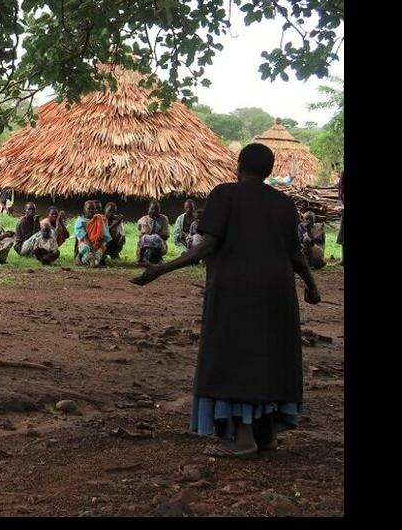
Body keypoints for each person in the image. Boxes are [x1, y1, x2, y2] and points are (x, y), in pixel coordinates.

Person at [132, 143, 321, 458]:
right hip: (278, 292)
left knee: (233, 355)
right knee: (271, 354)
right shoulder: (283, 203)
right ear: (269, 170)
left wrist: (161, 269)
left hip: (235, 290)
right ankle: (266, 434)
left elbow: (208, 245)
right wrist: (312, 286)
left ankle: (243, 438)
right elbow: (295, 253)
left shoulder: (225, 195)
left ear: (238, 166)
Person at [73, 200, 112, 267]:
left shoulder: (100, 219)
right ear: (84, 209)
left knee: (99, 251)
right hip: (85, 243)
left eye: (93, 209)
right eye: (89, 208)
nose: (91, 210)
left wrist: (97, 246)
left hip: (98, 244)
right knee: (85, 248)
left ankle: (88, 260)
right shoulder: (80, 221)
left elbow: (104, 237)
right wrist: (92, 249)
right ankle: (88, 259)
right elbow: (84, 238)